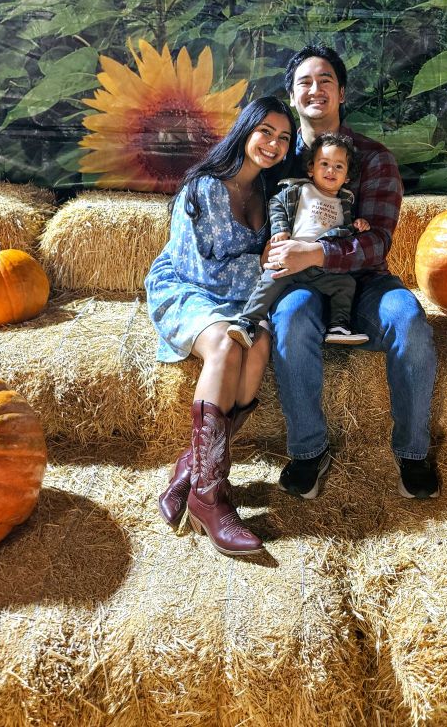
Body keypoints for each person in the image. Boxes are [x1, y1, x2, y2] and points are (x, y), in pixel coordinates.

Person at [267, 45, 440, 501]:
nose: (315, 89)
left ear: (341, 93)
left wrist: (315, 254)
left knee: (408, 318)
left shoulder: (374, 157)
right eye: (304, 81)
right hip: (298, 285)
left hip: (365, 283)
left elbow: (378, 240)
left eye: (325, 80)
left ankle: (413, 452)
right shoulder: (276, 156)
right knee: (289, 319)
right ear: (291, 96)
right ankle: (308, 450)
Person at [145, 95, 296, 556]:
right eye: (265, 132)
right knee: (229, 346)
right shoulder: (205, 187)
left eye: (284, 138)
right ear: (246, 130)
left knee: (262, 343)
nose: (273, 143)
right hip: (189, 291)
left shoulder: (272, 195)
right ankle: (211, 498)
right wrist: (258, 263)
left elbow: (273, 266)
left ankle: (191, 472)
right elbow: (199, 272)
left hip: (241, 301)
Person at [226, 132, 371, 349]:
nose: (330, 170)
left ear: (347, 176)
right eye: (324, 164)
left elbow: (342, 235)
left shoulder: (345, 202)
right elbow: (276, 205)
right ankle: (248, 322)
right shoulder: (299, 190)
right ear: (311, 169)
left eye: (339, 167)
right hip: (290, 260)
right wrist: (281, 229)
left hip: (320, 268)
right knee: (269, 281)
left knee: (346, 284)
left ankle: (338, 327)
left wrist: (357, 226)